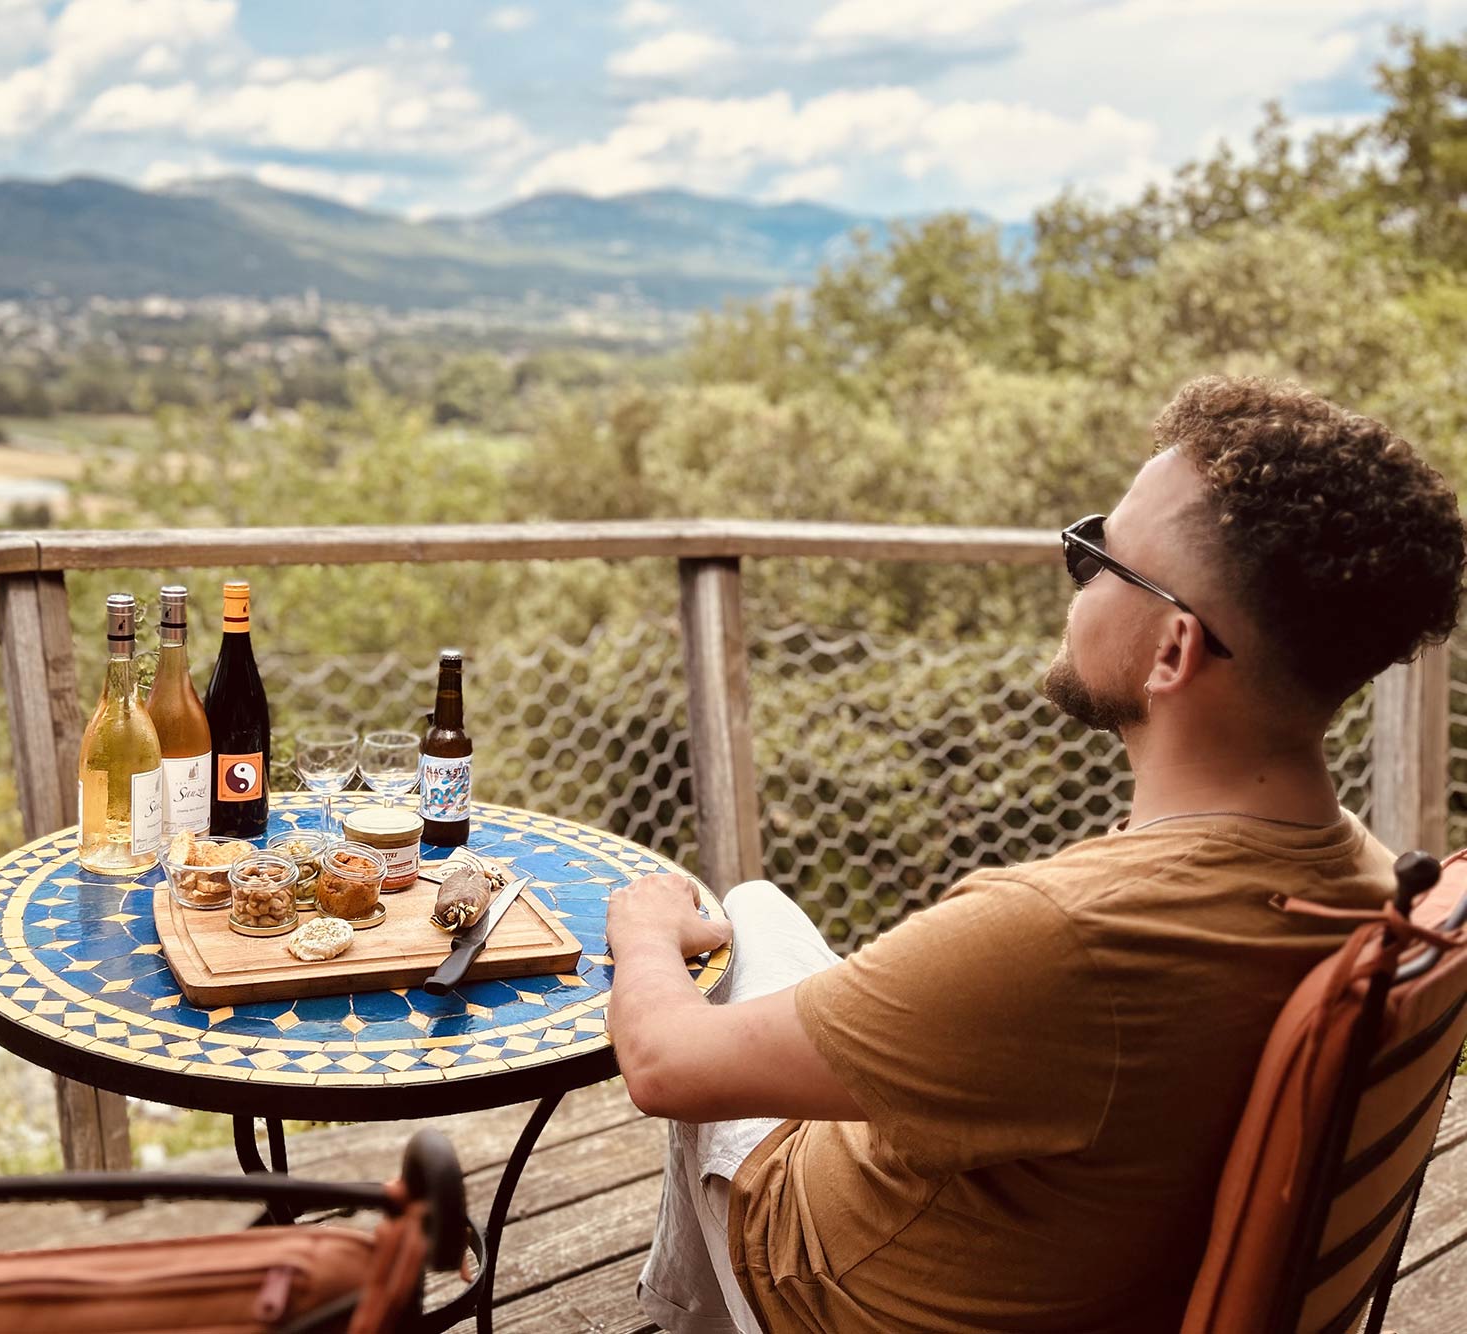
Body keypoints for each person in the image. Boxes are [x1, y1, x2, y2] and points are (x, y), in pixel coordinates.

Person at [609, 375, 1467, 1334]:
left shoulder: (1065, 940)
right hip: (1058, 1265)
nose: (1079, 571)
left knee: (712, 942)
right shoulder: (1365, 880)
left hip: (832, 1283)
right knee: (761, 909)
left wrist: (642, 928)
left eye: (1097, 555)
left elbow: (662, 1064)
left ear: (1173, 651)